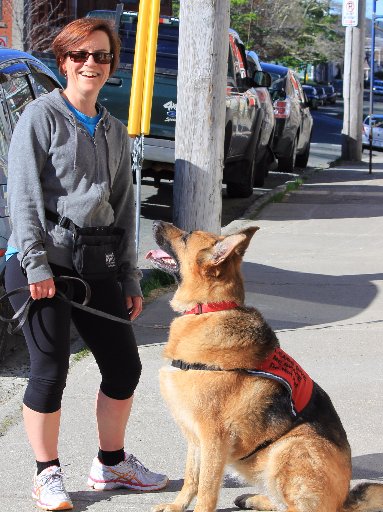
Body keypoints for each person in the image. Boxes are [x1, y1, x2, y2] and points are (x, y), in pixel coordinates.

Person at [4, 18, 168, 511]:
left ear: (112, 64)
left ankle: (111, 463)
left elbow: (123, 207)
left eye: (101, 56)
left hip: (98, 263)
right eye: (80, 56)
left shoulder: (115, 130)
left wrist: (130, 275)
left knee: (124, 367)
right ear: (64, 61)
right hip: (42, 264)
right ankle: (46, 474)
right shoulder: (41, 116)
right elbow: (25, 199)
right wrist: (35, 267)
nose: (90, 64)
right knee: (49, 371)